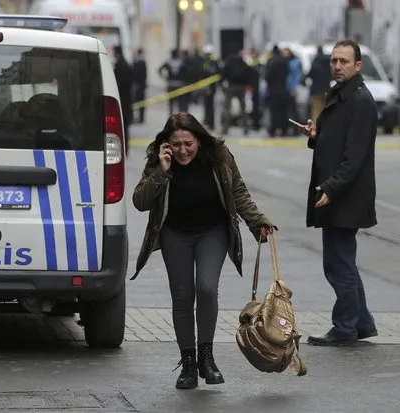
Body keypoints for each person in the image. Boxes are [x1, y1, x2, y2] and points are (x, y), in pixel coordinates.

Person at [131, 112, 275, 389]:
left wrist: (256, 221)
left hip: (213, 231)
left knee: (207, 288)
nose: (183, 150)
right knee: (182, 296)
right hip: (175, 234)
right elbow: (140, 201)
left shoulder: (219, 155)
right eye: (176, 144)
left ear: (199, 139)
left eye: (189, 143)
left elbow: (238, 191)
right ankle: (187, 363)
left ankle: (206, 358)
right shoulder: (158, 160)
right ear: (166, 144)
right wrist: (161, 170)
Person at [298, 39, 378, 346]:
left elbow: (354, 156)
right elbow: (337, 142)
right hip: (336, 192)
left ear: (358, 66)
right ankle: (362, 322)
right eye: (334, 61)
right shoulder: (341, 94)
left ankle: (345, 328)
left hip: (345, 196)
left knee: (338, 263)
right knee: (342, 261)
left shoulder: (360, 100)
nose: (337, 66)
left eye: (344, 61)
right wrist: (316, 135)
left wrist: (331, 188)